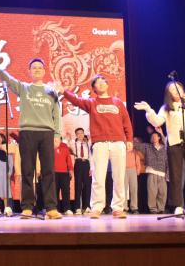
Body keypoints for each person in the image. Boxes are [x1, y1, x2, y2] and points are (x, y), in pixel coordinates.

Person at [0, 58, 62, 220]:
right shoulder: (24, 88)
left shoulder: (51, 91)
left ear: (44, 71)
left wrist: (57, 135)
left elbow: (57, 115)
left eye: (40, 67)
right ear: (29, 71)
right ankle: (27, 207)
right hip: (27, 132)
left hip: (47, 133)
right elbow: (8, 80)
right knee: (27, 170)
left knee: (48, 171)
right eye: (34, 68)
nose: (37, 69)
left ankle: (51, 208)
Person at [57, 74, 133, 219]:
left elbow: (126, 122)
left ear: (107, 85)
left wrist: (129, 139)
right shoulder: (92, 103)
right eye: (98, 82)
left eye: (103, 81)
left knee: (119, 177)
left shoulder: (117, 102)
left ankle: (118, 207)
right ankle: (97, 207)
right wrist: (64, 92)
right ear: (94, 88)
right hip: (100, 143)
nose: (101, 83)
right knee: (98, 177)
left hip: (118, 143)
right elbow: (76, 100)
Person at [134, 81, 185, 216]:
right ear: (168, 93)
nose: (176, 90)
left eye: (177, 88)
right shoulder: (166, 108)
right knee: (176, 176)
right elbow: (157, 121)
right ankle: (177, 205)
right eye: (171, 89)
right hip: (175, 144)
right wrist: (149, 110)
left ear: (182, 89)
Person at [134, 131, 168, 214]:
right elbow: (136, 145)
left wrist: (168, 173)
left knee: (162, 192)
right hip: (152, 172)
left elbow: (168, 143)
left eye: (155, 136)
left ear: (159, 138)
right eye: (152, 137)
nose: (153, 138)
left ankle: (161, 208)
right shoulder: (147, 147)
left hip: (162, 173)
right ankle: (153, 209)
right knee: (152, 192)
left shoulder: (164, 148)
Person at [69, 128, 92, 215]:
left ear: (83, 134)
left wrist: (91, 168)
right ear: (76, 135)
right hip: (78, 163)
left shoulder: (88, 144)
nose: (80, 135)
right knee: (78, 185)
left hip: (87, 164)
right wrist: (68, 139)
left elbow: (91, 156)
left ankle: (86, 207)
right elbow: (67, 142)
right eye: (78, 133)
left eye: (81, 133)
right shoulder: (73, 143)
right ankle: (77, 207)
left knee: (87, 186)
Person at [54, 135, 74, 215]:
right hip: (53, 172)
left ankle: (67, 209)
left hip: (64, 173)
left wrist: (70, 169)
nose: (56, 139)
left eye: (57, 138)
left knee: (66, 191)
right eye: (54, 138)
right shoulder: (49, 147)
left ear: (60, 139)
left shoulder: (65, 147)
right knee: (54, 191)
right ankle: (55, 209)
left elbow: (68, 159)